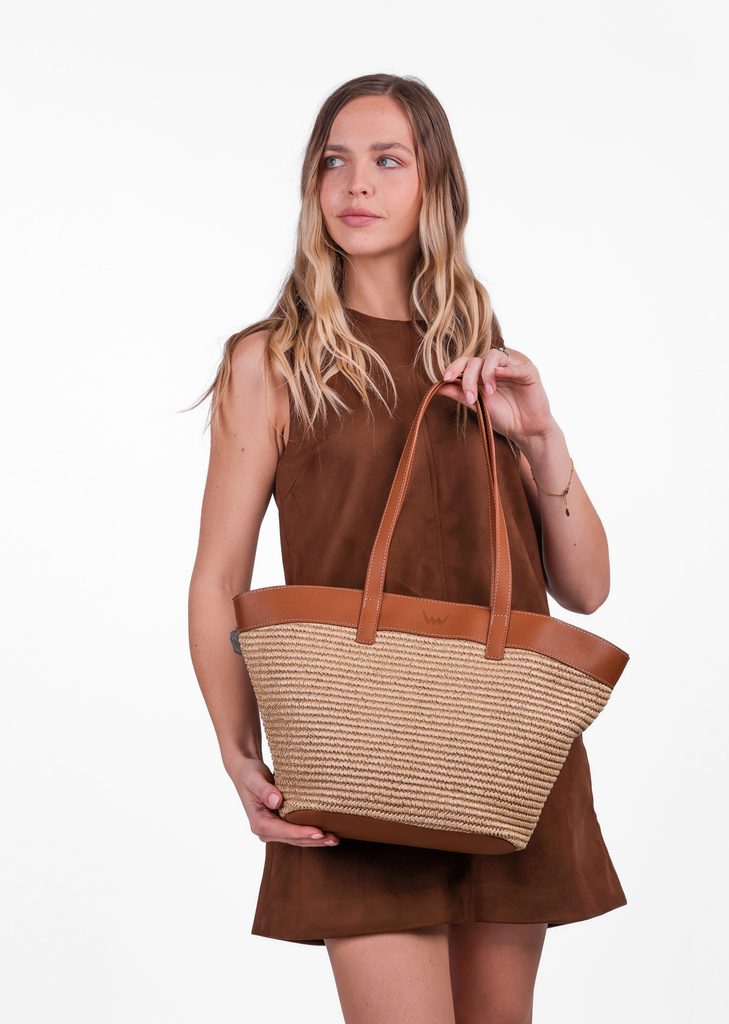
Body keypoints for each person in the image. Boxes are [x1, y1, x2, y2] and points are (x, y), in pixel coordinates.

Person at [187, 73, 627, 1024]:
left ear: (437, 186)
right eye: (335, 161)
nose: (356, 184)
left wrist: (541, 436)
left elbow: (586, 587)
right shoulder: (273, 361)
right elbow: (219, 577)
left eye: (389, 160)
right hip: (360, 755)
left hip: (504, 755)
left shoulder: (478, 357)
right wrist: (238, 751)